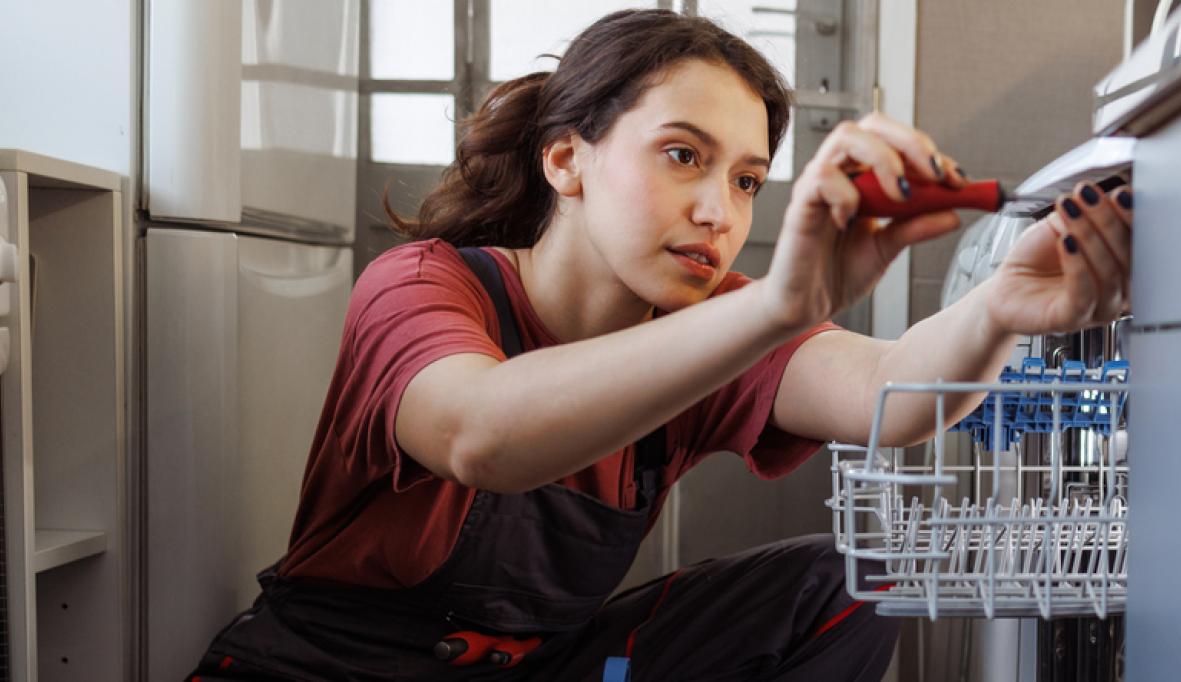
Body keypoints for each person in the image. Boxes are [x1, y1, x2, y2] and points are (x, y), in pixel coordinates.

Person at [186, 9, 1133, 681]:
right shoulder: (428, 283)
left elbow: (893, 393)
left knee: (854, 576)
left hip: (542, 667)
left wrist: (1007, 306)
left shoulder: (709, 319)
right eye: (683, 156)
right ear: (567, 158)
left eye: (750, 180)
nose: (719, 211)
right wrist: (771, 310)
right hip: (328, 670)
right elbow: (481, 434)